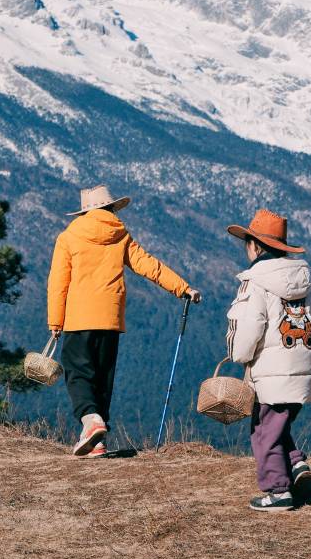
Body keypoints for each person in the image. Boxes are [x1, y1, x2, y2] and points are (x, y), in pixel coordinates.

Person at [47, 185, 200, 457]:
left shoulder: (69, 237)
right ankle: (98, 439)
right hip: (110, 318)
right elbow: (149, 265)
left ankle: (91, 421)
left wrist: (55, 322)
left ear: (86, 211)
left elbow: (58, 283)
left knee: (78, 374)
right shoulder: (120, 235)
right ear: (110, 209)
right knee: (103, 378)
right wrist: (183, 288)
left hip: (78, 318)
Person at [226, 209, 311, 512]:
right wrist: (304, 348)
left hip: (270, 373)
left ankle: (277, 490)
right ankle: (296, 464)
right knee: (278, 423)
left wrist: (238, 354)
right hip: (302, 370)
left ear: (255, 247)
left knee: (264, 431)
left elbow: (248, 330)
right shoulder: (308, 281)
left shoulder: (255, 283)